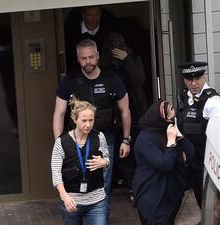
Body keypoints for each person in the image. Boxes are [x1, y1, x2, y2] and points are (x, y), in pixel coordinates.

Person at [53, 39, 131, 196]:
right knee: (76, 176)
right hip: (76, 139)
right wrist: (59, 142)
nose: (88, 61)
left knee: (104, 182)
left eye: (91, 57)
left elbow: (125, 110)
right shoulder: (69, 81)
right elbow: (59, 113)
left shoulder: (112, 79)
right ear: (78, 58)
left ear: (97, 56)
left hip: (104, 137)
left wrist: (126, 140)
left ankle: (99, 217)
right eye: (83, 58)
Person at [177, 61, 220, 209]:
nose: (194, 83)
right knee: (200, 202)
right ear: (184, 80)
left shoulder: (212, 101)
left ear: (205, 77)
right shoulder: (185, 97)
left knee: (211, 206)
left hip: (206, 165)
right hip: (191, 162)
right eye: (190, 79)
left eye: (198, 78)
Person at [100, 32, 148, 195]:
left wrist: (126, 59)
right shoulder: (103, 61)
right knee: (117, 153)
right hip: (113, 114)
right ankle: (122, 184)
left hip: (134, 110)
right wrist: (108, 59)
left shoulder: (133, 56)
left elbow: (139, 79)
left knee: (134, 150)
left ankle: (136, 187)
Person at [133, 100, 195, 225]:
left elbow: (191, 153)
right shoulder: (145, 138)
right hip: (152, 196)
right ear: (158, 118)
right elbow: (164, 164)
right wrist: (171, 142)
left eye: (173, 118)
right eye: (168, 118)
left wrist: (180, 136)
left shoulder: (169, 131)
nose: (171, 122)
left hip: (171, 194)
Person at [51, 98, 109, 225]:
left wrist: (104, 163)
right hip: (72, 201)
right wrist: (65, 197)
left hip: (97, 201)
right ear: (74, 119)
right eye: (84, 120)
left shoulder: (99, 137)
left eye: (91, 120)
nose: (88, 125)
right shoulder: (61, 142)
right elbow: (56, 174)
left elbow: (107, 159)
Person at [64, 5, 118, 72]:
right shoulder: (71, 32)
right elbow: (70, 58)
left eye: (97, 14)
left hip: (105, 72)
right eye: (90, 15)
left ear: (101, 13)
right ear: (83, 15)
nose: (94, 19)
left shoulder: (109, 29)